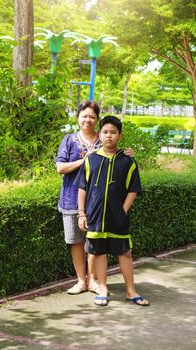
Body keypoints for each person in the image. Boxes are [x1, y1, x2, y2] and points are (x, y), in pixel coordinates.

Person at [55, 102, 134, 295]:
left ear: (96, 120)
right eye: (84, 116)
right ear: (78, 117)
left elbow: (115, 158)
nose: (87, 120)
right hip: (71, 198)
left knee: (94, 242)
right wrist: (86, 159)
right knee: (76, 242)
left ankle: (93, 281)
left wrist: (129, 153)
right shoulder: (69, 140)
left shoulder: (105, 137)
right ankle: (81, 281)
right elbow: (60, 168)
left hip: (98, 203)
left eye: (91, 117)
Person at [75, 115, 149, 306]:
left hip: (118, 218)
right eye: (105, 132)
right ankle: (103, 288)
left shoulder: (128, 162)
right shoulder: (91, 160)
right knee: (99, 252)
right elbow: (82, 188)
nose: (109, 136)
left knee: (125, 253)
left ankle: (131, 291)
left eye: (113, 132)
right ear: (99, 135)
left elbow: (133, 189)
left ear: (120, 136)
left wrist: (123, 210)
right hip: (95, 217)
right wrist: (82, 213)